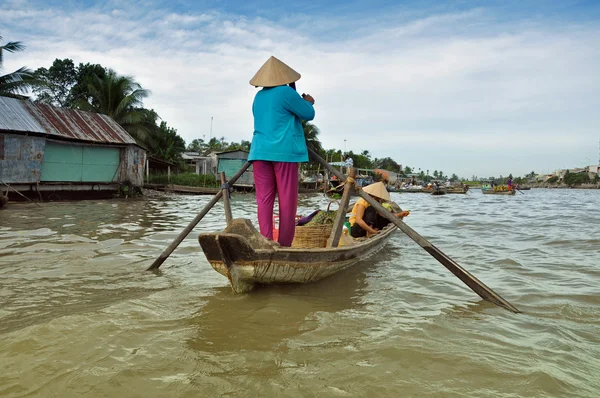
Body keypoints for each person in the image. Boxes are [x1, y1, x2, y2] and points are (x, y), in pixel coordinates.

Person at [248, 56, 315, 246]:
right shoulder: (286, 92)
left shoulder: (258, 96)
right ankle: (285, 244)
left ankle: (266, 241)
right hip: (283, 152)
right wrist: (308, 101)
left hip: (260, 152)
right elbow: (308, 113)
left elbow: (279, 112)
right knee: (287, 201)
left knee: (264, 200)